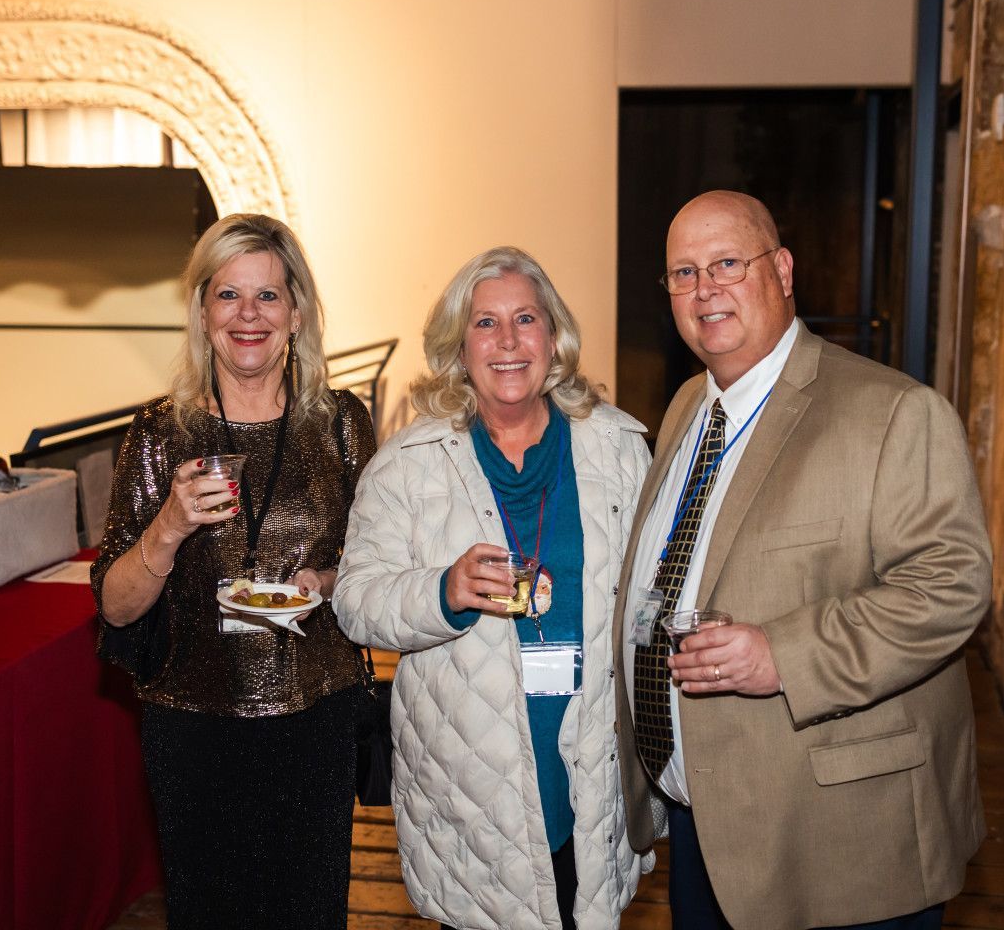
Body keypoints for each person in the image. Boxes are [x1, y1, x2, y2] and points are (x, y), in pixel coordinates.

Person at [613, 191, 992, 930]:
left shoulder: (891, 413)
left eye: (727, 263)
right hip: (709, 825)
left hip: (840, 844)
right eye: (683, 274)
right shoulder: (692, 404)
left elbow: (952, 586)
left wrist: (782, 655)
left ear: (782, 270)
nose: (705, 290)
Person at [333, 247, 653, 930]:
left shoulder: (620, 449)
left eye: (526, 319)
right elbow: (355, 600)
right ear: (458, 347)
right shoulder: (407, 468)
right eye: (485, 323)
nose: (507, 341)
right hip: (470, 787)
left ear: (554, 338)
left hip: (591, 773)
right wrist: (440, 590)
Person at [90, 213, 376, 930]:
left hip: (316, 716)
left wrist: (325, 583)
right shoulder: (158, 432)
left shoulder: (341, 422)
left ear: (297, 313)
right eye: (228, 296)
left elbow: (380, 560)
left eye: (268, 297)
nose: (248, 316)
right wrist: (170, 525)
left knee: (310, 912)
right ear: (202, 311)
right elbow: (118, 609)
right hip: (194, 728)